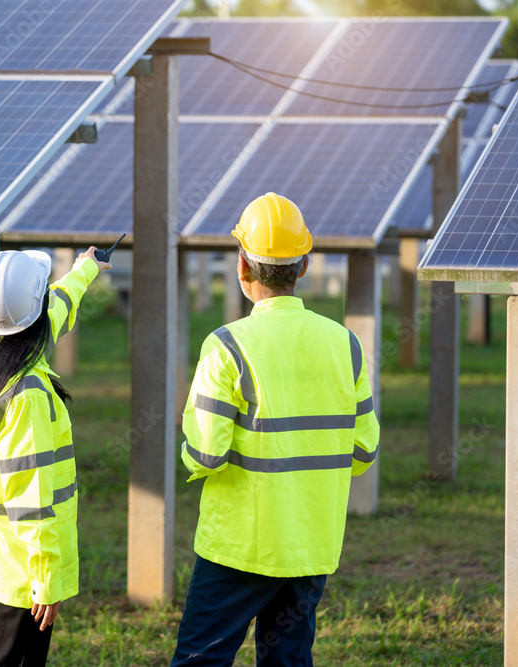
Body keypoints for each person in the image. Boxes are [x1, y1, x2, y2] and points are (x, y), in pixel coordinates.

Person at [170, 193, 380, 666]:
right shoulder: (344, 344)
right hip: (311, 543)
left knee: (200, 659)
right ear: (303, 266)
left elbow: (205, 454)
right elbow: (364, 449)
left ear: (242, 267)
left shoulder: (226, 346)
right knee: (288, 659)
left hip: (238, 546)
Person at [0, 247, 110, 667]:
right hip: (26, 578)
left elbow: (56, 304)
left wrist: (85, 269)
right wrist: (45, 579)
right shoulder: (28, 395)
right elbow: (31, 497)